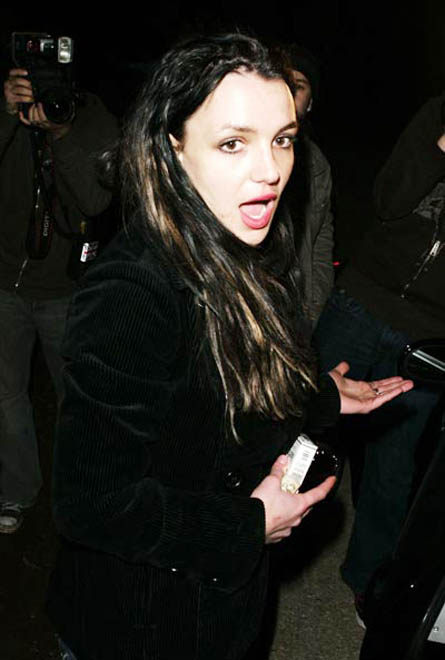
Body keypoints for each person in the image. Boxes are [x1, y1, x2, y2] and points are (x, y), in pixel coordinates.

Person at [46, 34, 412, 660]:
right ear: (172, 148)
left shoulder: (243, 246)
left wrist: (322, 396)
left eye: (283, 139)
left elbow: (226, 393)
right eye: (233, 142)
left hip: (222, 608)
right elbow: (91, 505)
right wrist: (247, 524)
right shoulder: (132, 292)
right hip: (142, 625)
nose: (270, 170)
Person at [314, 92, 445, 624]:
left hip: (429, 337)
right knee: (303, 424)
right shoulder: (438, 112)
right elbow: (389, 199)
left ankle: (367, 580)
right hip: (361, 303)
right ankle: (257, 539)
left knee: (394, 466)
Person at [0, 65, 118, 533]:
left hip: (66, 291)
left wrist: (62, 133)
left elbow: (97, 200)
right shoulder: (8, 108)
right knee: (6, 398)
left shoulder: (92, 115)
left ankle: (77, 497)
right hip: (3, 284)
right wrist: (5, 113)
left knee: (77, 401)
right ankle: (16, 491)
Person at [285, 44, 334, 326]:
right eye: (282, 82)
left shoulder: (317, 166)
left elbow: (320, 245)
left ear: (310, 102)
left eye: (299, 86)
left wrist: (311, 312)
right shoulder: (239, 152)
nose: (289, 92)